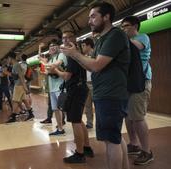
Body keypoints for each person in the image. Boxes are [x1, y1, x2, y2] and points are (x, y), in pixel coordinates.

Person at [60, 2, 130, 169]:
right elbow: (91, 64)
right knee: (115, 137)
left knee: (111, 140)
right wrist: (76, 56)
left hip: (111, 95)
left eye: (93, 16)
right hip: (105, 94)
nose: (89, 21)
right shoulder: (101, 40)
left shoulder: (115, 35)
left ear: (106, 17)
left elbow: (96, 65)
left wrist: (75, 53)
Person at [51, 31, 94, 163]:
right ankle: (87, 148)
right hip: (80, 89)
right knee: (79, 121)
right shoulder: (77, 53)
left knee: (75, 122)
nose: (64, 40)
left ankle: (79, 154)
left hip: (76, 90)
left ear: (73, 39)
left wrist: (55, 70)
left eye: (67, 37)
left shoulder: (72, 55)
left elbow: (67, 76)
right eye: (63, 38)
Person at [121, 15, 154, 165]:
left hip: (141, 81)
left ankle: (147, 151)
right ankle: (134, 144)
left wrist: (118, 38)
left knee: (138, 117)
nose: (123, 29)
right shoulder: (125, 42)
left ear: (135, 26)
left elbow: (135, 47)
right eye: (121, 27)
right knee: (128, 116)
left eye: (125, 26)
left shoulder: (142, 37)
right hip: (128, 82)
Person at [40, 39, 67, 135]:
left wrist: (46, 65)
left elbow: (54, 66)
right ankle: (60, 129)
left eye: (54, 45)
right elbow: (48, 71)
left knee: (63, 109)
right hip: (52, 88)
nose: (52, 47)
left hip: (61, 87)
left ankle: (74, 126)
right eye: (50, 46)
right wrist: (48, 67)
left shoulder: (61, 55)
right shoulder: (51, 59)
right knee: (55, 109)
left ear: (58, 47)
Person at [6, 53, 34, 123]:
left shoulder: (16, 65)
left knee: (15, 100)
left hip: (19, 85)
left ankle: (13, 116)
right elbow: (17, 76)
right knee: (24, 100)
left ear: (10, 58)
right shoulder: (15, 65)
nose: (7, 60)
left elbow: (21, 76)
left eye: (8, 59)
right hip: (19, 85)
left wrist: (25, 87)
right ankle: (31, 114)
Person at [81, 38, 95, 129]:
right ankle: (89, 123)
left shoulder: (96, 55)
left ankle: (101, 123)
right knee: (88, 105)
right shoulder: (83, 57)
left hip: (95, 83)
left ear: (89, 45)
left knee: (98, 104)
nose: (82, 48)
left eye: (83, 46)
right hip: (86, 83)